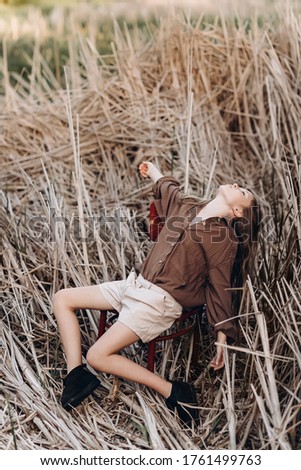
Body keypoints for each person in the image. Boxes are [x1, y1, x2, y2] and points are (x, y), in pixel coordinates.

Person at [53, 161, 260, 427]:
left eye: (242, 191)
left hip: (158, 302)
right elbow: (168, 190)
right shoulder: (187, 206)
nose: (236, 185)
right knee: (63, 298)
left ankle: (173, 391)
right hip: (135, 285)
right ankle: (76, 376)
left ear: (236, 211)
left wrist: (222, 336)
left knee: (97, 355)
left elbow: (221, 289)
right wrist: (153, 171)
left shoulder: (223, 241)